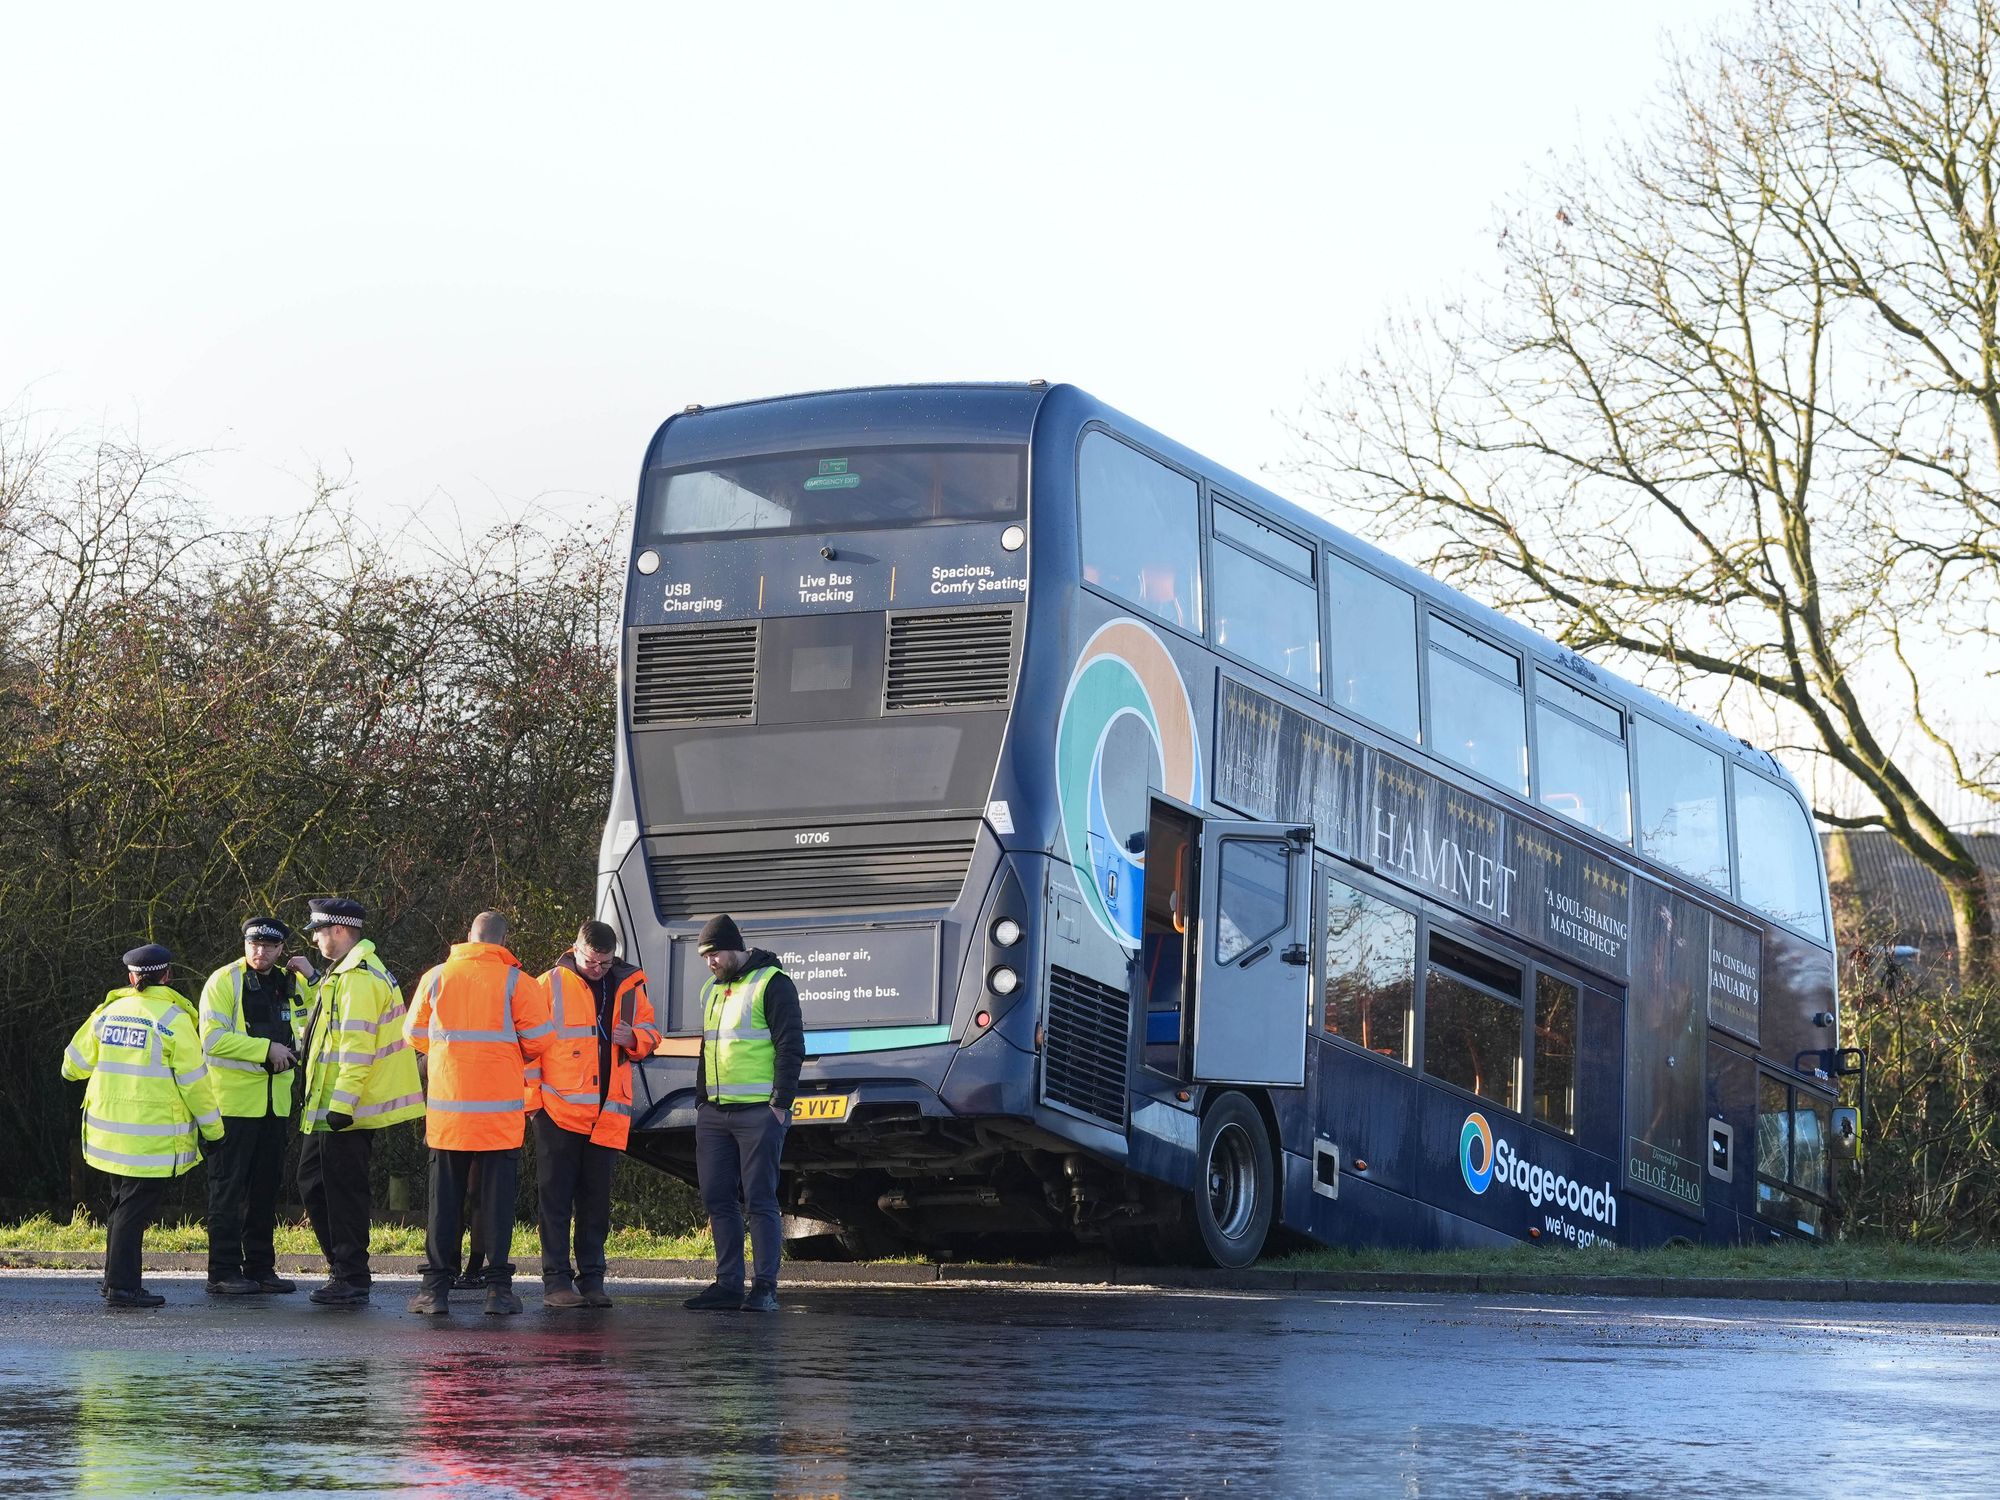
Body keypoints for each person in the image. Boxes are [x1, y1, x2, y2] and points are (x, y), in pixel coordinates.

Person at [403, 910, 554, 1316]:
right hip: (499, 1117)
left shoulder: (436, 977)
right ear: (502, 942)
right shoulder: (516, 982)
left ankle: (434, 1292)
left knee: (443, 1203)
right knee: (496, 1205)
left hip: (448, 1115)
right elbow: (541, 1040)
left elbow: (414, 1034)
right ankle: (499, 1293)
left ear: (468, 937)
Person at [60, 945, 224, 1308]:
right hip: (150, 1140)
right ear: (167, 976)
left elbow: (71, 1067)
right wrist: (213, 1132)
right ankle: (122, 1288)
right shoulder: (174, 1019)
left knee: (121, 1208)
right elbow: (196, 1084)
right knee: (133, 1213)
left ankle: (114, 1282)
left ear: (132, 977)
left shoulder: (107, 1013)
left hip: (108, 1135)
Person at [293, 897, 425, 1306]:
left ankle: (350, 1276)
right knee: (313, 1182)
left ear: (338, 930)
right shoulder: (342, 973)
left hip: (346, 1110)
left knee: (342, 1192)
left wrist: (343, 1105)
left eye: (318, 930)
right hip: (330, 1106)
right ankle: (345, 1268)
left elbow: (356, 1049)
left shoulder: (359, 978)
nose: (314, 938)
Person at [534, 919, 659, 1308]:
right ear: (576, 948)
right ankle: (556, 1282)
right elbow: (529, 1048)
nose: (597, 969)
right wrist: (533, 1104)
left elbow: (652, 1032)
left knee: (596, 1203)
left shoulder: (630, 983)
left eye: (604, 963)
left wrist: (635, 1038)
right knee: (555, 1200)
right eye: (591, 961)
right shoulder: (548, 984)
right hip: (556, 1111)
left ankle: (592, 1280)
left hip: (607, 1113)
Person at [682, 915, 804, 1314]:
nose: (710, 963)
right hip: (715, 1114)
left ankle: (765, 1287)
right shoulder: (712, 990)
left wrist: (778, 1105)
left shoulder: (773, 983)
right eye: (705, 957)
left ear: (734, 947)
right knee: (717, 1197)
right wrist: (702, 1101)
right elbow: (708, 1048)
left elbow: (791, 1046)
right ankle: (728, 1284)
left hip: (758, 1114)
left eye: (714, 954)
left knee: (760, 1200)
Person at [198, 915, 308, 1295]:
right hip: (232, 1104)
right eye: (253, 944)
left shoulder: (289, 984)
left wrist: (311, 979)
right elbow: (212, 1039)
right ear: (245, 944)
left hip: (274, 1105)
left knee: (265, 1191)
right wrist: (266, 1049)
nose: (260, 952)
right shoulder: (223, 980)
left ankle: (261, 1268)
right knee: (227, 1190)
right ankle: (223, 1271)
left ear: (281, 950)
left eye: (269, 946)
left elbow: (310, 1026)